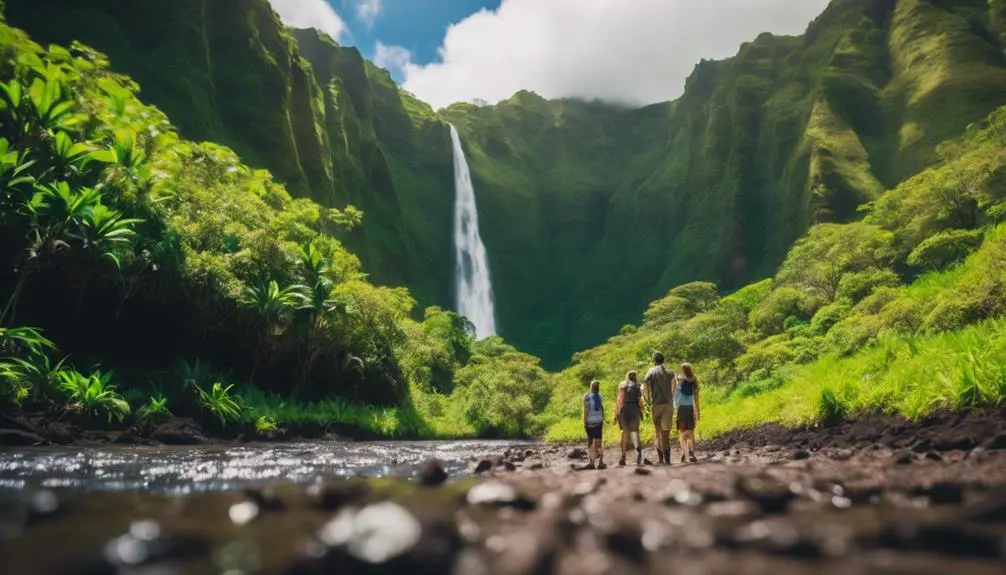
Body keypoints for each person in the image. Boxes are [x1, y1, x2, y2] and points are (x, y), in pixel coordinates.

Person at [642, 352, 675, 465]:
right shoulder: (670, 372)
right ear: (663, 360)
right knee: (666, 434)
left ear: (654, 361)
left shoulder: (650, 372)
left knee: (658, 432)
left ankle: (661, 459)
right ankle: (668, 460)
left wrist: (648, 399)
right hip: (668, 404)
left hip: (656, 405)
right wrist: (670, 396)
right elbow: (673, 386)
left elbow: (645, 385)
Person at [613, 370, 643, 466]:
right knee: (635, 432)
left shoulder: (622, 385)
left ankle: (623, 457)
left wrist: (615, 414)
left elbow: (619, 400)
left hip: (624, 410)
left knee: (624, 433)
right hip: (634, 409)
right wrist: (642, 409)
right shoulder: (637, 386)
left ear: (627, 377)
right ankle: (638, 453)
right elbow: (640, 401)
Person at [675, 362, 701, 463]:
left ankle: (683, 452)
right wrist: (698, 412)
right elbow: (696, 398)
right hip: (690, 408)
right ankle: (692, 453)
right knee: (690, 432)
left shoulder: (679, 380)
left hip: (681, 408)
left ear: (682, 369)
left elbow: (675, 396)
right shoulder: (694, 380)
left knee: (681, 432)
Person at [582, 380, 606, 469]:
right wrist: (602, 418)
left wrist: (585, 421)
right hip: (599, 422)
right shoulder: (600, 396)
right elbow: (602, 408)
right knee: (599, 443)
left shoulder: (587, 397)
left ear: (591, 387)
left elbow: (586, 410)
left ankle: (592, 463)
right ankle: (601, 462)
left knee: (590, 443)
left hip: (590, 422)